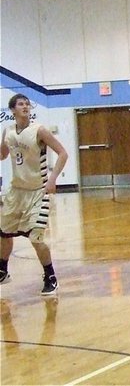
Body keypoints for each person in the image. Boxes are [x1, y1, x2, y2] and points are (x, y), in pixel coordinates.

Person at [0, 93, 68, 295]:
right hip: (16, 192)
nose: (25, 107)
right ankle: (2, 270)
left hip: (38, 192)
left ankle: (50, 276)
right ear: (12, 110)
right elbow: (2, 155)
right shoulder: (8, 131)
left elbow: (63, 153)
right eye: (21, 104)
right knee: (3, 233)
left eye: (27, 104)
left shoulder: (39, 130)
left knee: (36, 237)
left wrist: (53, 179)